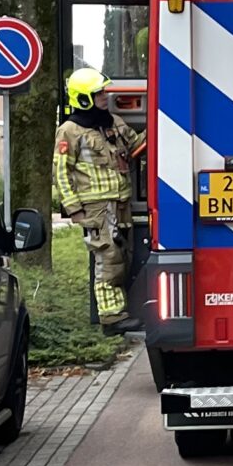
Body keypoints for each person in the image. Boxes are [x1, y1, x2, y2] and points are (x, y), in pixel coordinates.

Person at [53, 67, 145, 330]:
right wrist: (74, 209)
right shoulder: (69, 131)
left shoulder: (113, 123)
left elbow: (135, 144)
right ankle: (112, 318)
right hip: (96, 208)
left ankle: (119, 311)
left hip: (120, 203)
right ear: (84, 98)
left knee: (124, 257)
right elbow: (61, 172)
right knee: (108, 259)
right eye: (99, 93)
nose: (106, 96)